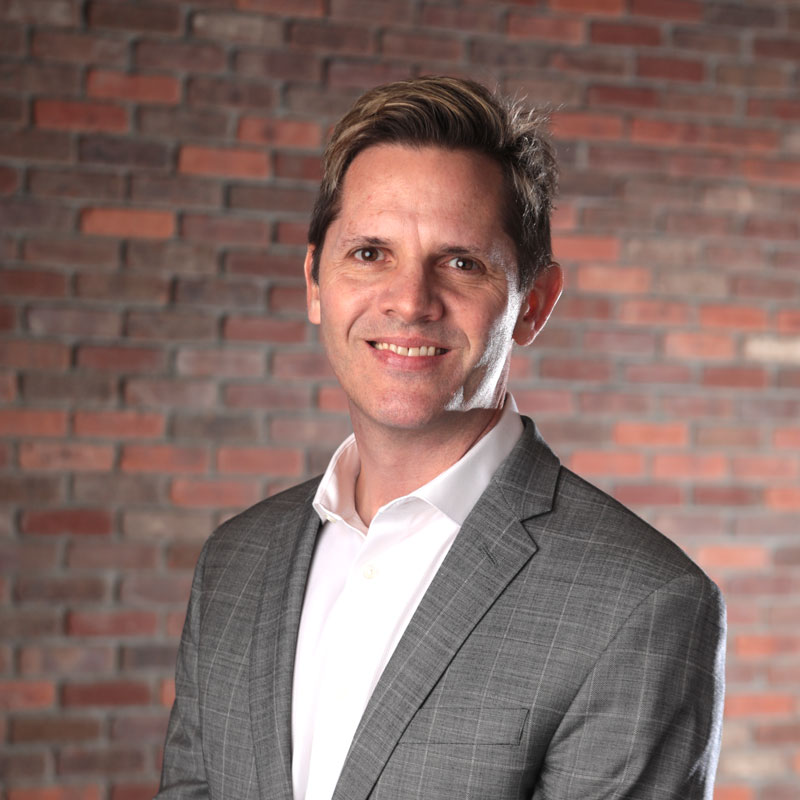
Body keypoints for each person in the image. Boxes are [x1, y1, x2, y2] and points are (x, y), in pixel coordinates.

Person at [156, 76, 725, 800]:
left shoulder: (642, 604)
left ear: (533, 304)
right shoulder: (234, 563)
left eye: (462, 263)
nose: (410, 301)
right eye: (370, 253)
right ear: (315, 283)